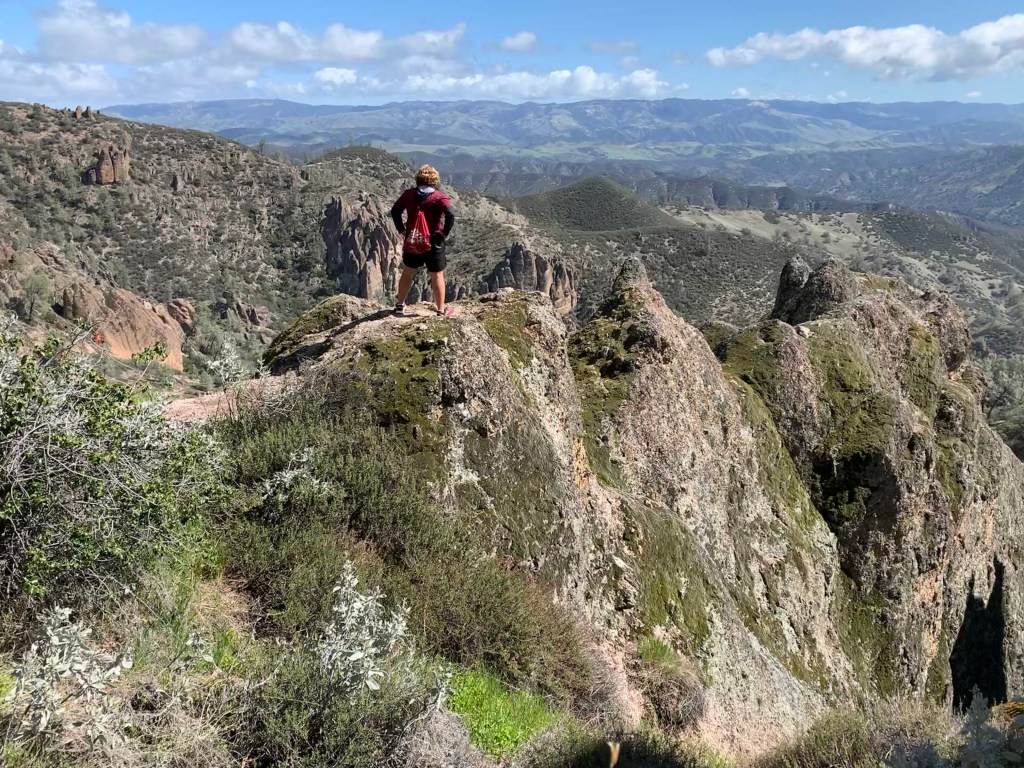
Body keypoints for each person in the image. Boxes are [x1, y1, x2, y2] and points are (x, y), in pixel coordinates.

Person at [390, 165, 456, 317]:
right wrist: (444, 233)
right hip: (434, 241)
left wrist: (402, 230)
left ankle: (400, 305)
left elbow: (395, 211)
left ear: (418, 179)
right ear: (434, 181)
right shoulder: (440, 197)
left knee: (408, 273)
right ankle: (441, 310)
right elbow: (451, 215)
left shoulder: (408, 195)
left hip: (413, 239)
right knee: (437, 275)